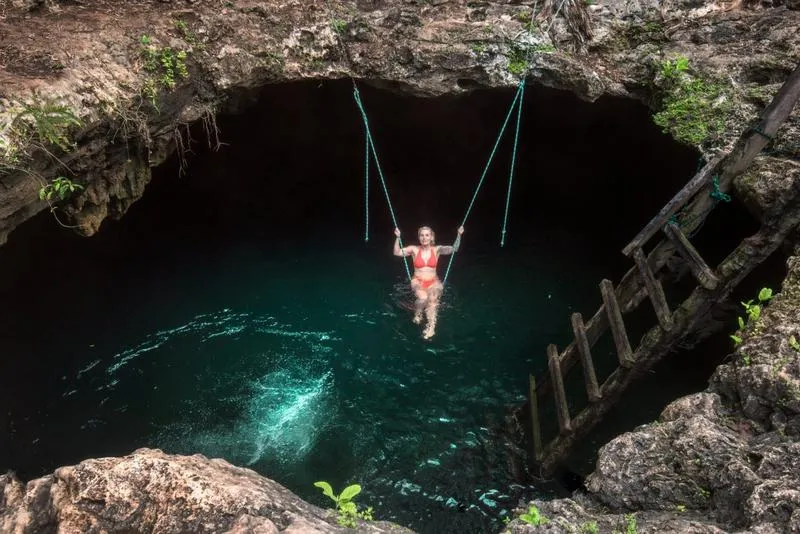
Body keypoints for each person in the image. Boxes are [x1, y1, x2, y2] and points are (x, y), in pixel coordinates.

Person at [393, 225, 464, 339]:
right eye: (422, 235)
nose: (424, 238)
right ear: (419, 237)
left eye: (427, 235)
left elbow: (454, 248)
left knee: (432, 300)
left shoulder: (437, 249)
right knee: (423, 298)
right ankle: (418, 313)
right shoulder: (414, 249)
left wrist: (459, 235)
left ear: (431, 237)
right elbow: (396, 252)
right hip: (418, 281)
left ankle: (431, 327)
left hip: (433, 281)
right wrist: (397, 237)